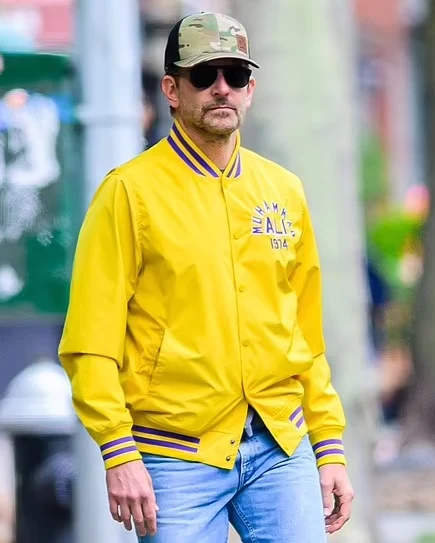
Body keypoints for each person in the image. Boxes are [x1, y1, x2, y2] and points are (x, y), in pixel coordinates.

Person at [59, 11, 354, 543]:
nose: (222, 89)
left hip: (281, 444)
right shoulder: (128, 193)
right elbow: (90, 342)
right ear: (172, 90)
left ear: (250, 90)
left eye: (235, 75)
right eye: (203, 75)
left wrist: (328, 444)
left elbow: (306, 336)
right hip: (174, 453)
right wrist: (117, 449)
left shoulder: (284, 190)